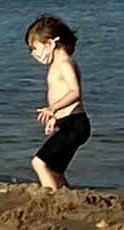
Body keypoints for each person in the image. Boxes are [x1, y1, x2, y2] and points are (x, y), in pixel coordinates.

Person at [25, 14, 91, 189]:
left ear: (50, 43)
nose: (33, 54)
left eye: (35, 48)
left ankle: (51, 200)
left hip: (76, 125)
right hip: (69, 123)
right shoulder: (56, 65)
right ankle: (68, 199)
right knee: (54, 170)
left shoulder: (64, 63)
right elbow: (62, 95)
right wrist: (55, 118)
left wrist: (52, 109)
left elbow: (75, 92)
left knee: (39, 163)